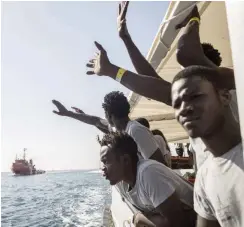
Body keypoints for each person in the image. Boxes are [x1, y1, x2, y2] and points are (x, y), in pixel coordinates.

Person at [86, 4, 239, 171]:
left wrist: (193, 20)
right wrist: (126, 39)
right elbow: (153, 82)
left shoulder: (231, 91)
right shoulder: (208, 100)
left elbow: (184, 56)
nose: (182, 90)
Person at [171, 65, 243, 227]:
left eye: (195, 96)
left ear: (225, 96)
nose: (183, 109)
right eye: (176, 104)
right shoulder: (204, 178)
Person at [99, 132, 196, 227]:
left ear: (125, 160)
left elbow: (179, 222)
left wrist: (138, 219)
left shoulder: (148, 173)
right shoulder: (121, 183)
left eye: (105, 161)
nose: (102, 167)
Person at [52, 92, 166, 165]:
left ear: (109, 115)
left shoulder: (136, 131)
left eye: (105, 113)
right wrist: (69, 114)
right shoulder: (117, 129)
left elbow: (160, 167)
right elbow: (94, 121)